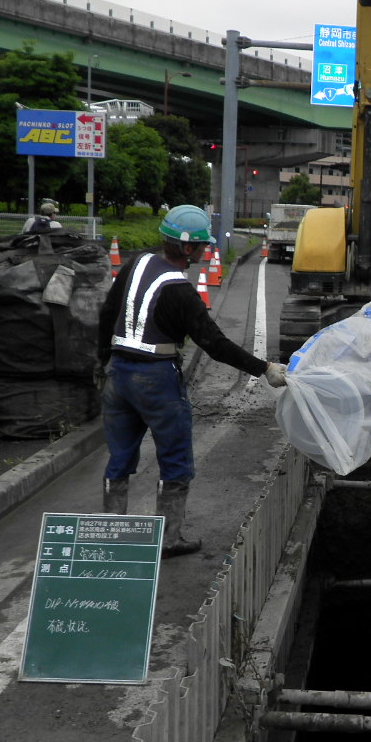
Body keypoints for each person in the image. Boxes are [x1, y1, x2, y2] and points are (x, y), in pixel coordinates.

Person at [98, 204, 288, 556]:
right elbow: (214, 343)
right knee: (175, 461)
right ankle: (168, 539)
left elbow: (108, 311)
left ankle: (112, 536)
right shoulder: (180, 291)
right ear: (187, 248)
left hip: (118, 375)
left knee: (119, 458)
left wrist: (102, 362)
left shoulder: (135, 264)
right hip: (156, 379)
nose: (204, 251)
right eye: (201, 246)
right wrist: (264, 369)